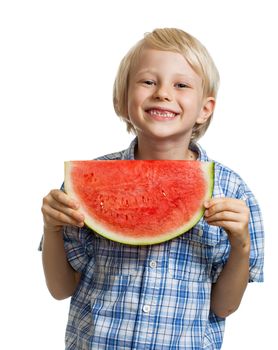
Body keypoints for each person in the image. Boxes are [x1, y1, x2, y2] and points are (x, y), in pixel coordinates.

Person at [40, 28, 264, 349]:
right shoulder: (90, 179)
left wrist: (240, 244)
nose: (162, 93)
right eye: (148, 81)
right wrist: (51, 229)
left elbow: (224, 306)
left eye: (181, 85)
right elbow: (61, 289)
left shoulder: (231, 190)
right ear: (121, 98)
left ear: (205, 108)